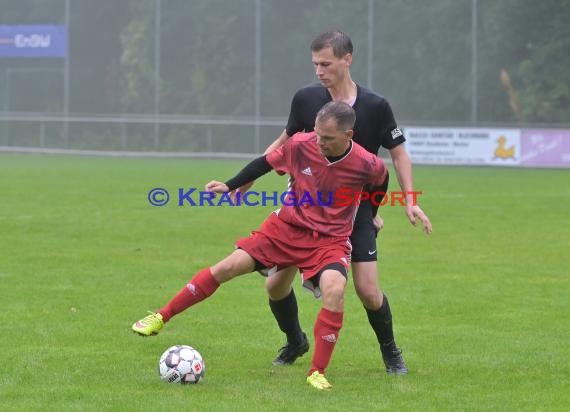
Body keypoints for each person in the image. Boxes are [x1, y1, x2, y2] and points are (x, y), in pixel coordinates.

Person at [132, 101, 388, 390]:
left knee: (335, 288)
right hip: (286, 229)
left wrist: (373, 213)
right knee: (228, 266)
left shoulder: (368, 164)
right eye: (317, 134)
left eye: (328, 138)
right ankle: (160, 316)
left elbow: (380, 184)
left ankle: (317, 371)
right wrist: (230, 185)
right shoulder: (300, 145)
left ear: (348, 135)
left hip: (329, 241)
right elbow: (264, 163)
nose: (319, 142)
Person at [234, 29, 432, 373]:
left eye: (325, 63)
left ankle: (391, 352)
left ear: (346, 60)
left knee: (368, 291)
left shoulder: (375, 105)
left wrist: (409, 200)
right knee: (275, 284)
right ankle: (296, 340)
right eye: (315, 64)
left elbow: (398, 155)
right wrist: (252, 172)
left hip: (355, 212)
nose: (318, 70)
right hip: (305, 210)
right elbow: (286, 140)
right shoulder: (306, 99)